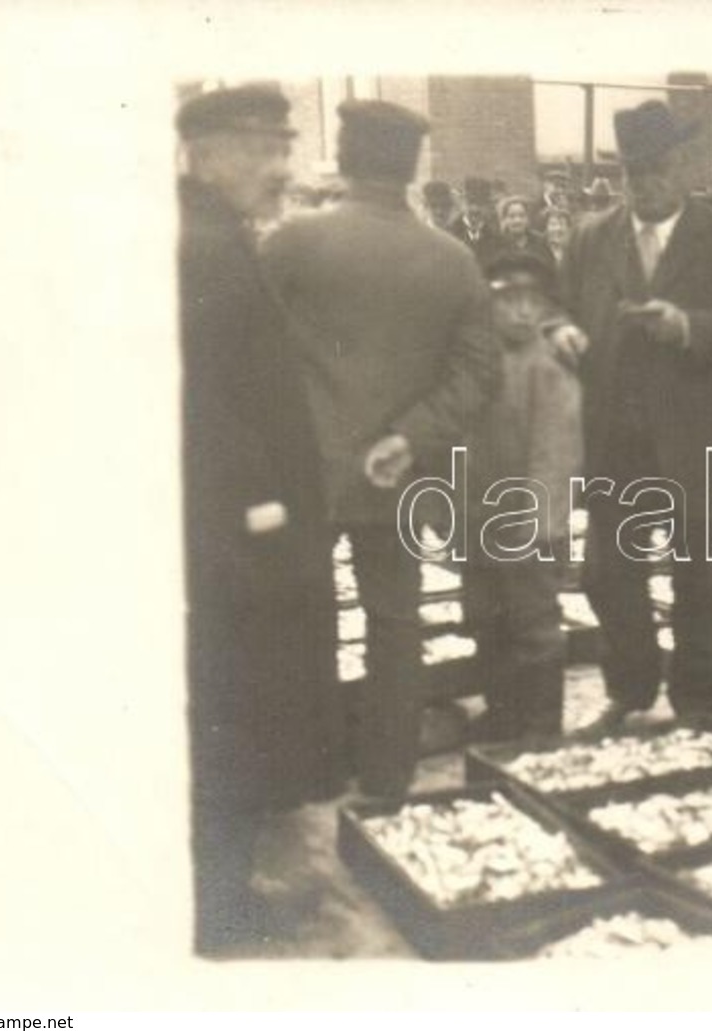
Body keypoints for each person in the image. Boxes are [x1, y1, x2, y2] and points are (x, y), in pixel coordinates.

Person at [261, 100, 501, 805]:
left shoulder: (291, 243)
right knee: (396, 622)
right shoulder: (452, 260)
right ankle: (389, 775)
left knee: (306, 619)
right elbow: (478, 373)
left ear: (344, 153)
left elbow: (249, 354)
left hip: (302, 470)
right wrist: (409, 436)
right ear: (412, 165)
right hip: (399, 471)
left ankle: (309, 769)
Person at [175, 84, 342, 953]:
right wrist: (262, 510)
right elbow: (206, 401)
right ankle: (223, 905)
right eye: (262, 148)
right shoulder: (202, 247)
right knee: (231, 706)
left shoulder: (212, 234)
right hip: (240, 533)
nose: (282, 167)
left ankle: (225, 888)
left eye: (283, 146)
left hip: (237, 526)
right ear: (205, 151)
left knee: (230, 706)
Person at [558, 100, 712, 731]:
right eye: (631, 173)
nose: (642, 185)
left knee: (703, 579)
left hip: (699, 440)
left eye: (654, 170)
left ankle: (698, 700)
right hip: (614, 441)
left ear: (682, 167)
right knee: (605, 575)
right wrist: (561, 332)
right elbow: (558, 307)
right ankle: (630, 686)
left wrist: (687, 328)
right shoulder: (589, 238)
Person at [461, 252, 582, 743]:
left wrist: (540, 525)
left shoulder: (547, 366)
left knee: (534, 626)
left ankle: (540, 726)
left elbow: (557, 452)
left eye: (532, 301)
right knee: (484, 620)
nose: (523, 312)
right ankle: (502, 712)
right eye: (510, 300)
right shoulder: (474, 356)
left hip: (528, 522)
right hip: (478, 513)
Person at [493, 194, 555, 273]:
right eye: (512, 216)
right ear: (504, 219)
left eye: (522, 216)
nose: (517, 221)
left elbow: (550, 271)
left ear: (527, 219)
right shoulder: (496, 244)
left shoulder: (541, 242)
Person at [451, 176, 503, 267]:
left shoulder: (497, 240)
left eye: (481, 203)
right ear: (462, 203)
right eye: (471, 202)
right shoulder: (450, 235)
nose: (475, 209)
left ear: (487, 206)